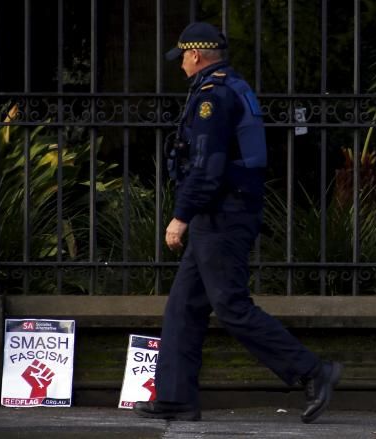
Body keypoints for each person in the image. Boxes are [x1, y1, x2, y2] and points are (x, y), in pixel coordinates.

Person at [133, 22, 342, 424]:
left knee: (230, 306)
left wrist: (180, 217)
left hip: (224, 215)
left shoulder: (214, 99)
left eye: (182, 59)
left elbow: (207, 167)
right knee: (183, 307)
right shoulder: (228, 88)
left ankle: (314, 372)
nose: (180, 67)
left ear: (195, 56)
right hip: (223, 213)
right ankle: (176, 399)